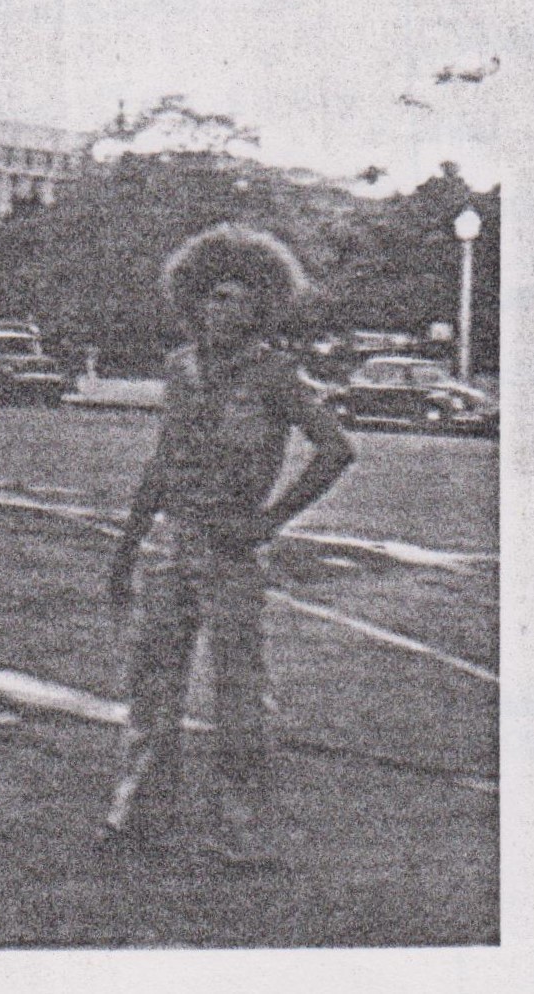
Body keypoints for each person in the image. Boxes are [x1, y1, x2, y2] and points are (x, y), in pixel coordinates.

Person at [99, 223, 354, 865]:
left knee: (239, 697)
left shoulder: (276, 375)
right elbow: (162, 463)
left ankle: (245, 831)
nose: (218, 310)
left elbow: (336, 449)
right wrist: (128, 546)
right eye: (211, 296)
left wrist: (269, 521)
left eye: (235, 299)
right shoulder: (181, 369)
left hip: (232, 556)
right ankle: (140, 813)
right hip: (172, 547)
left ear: (261, 307)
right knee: (152, 686)